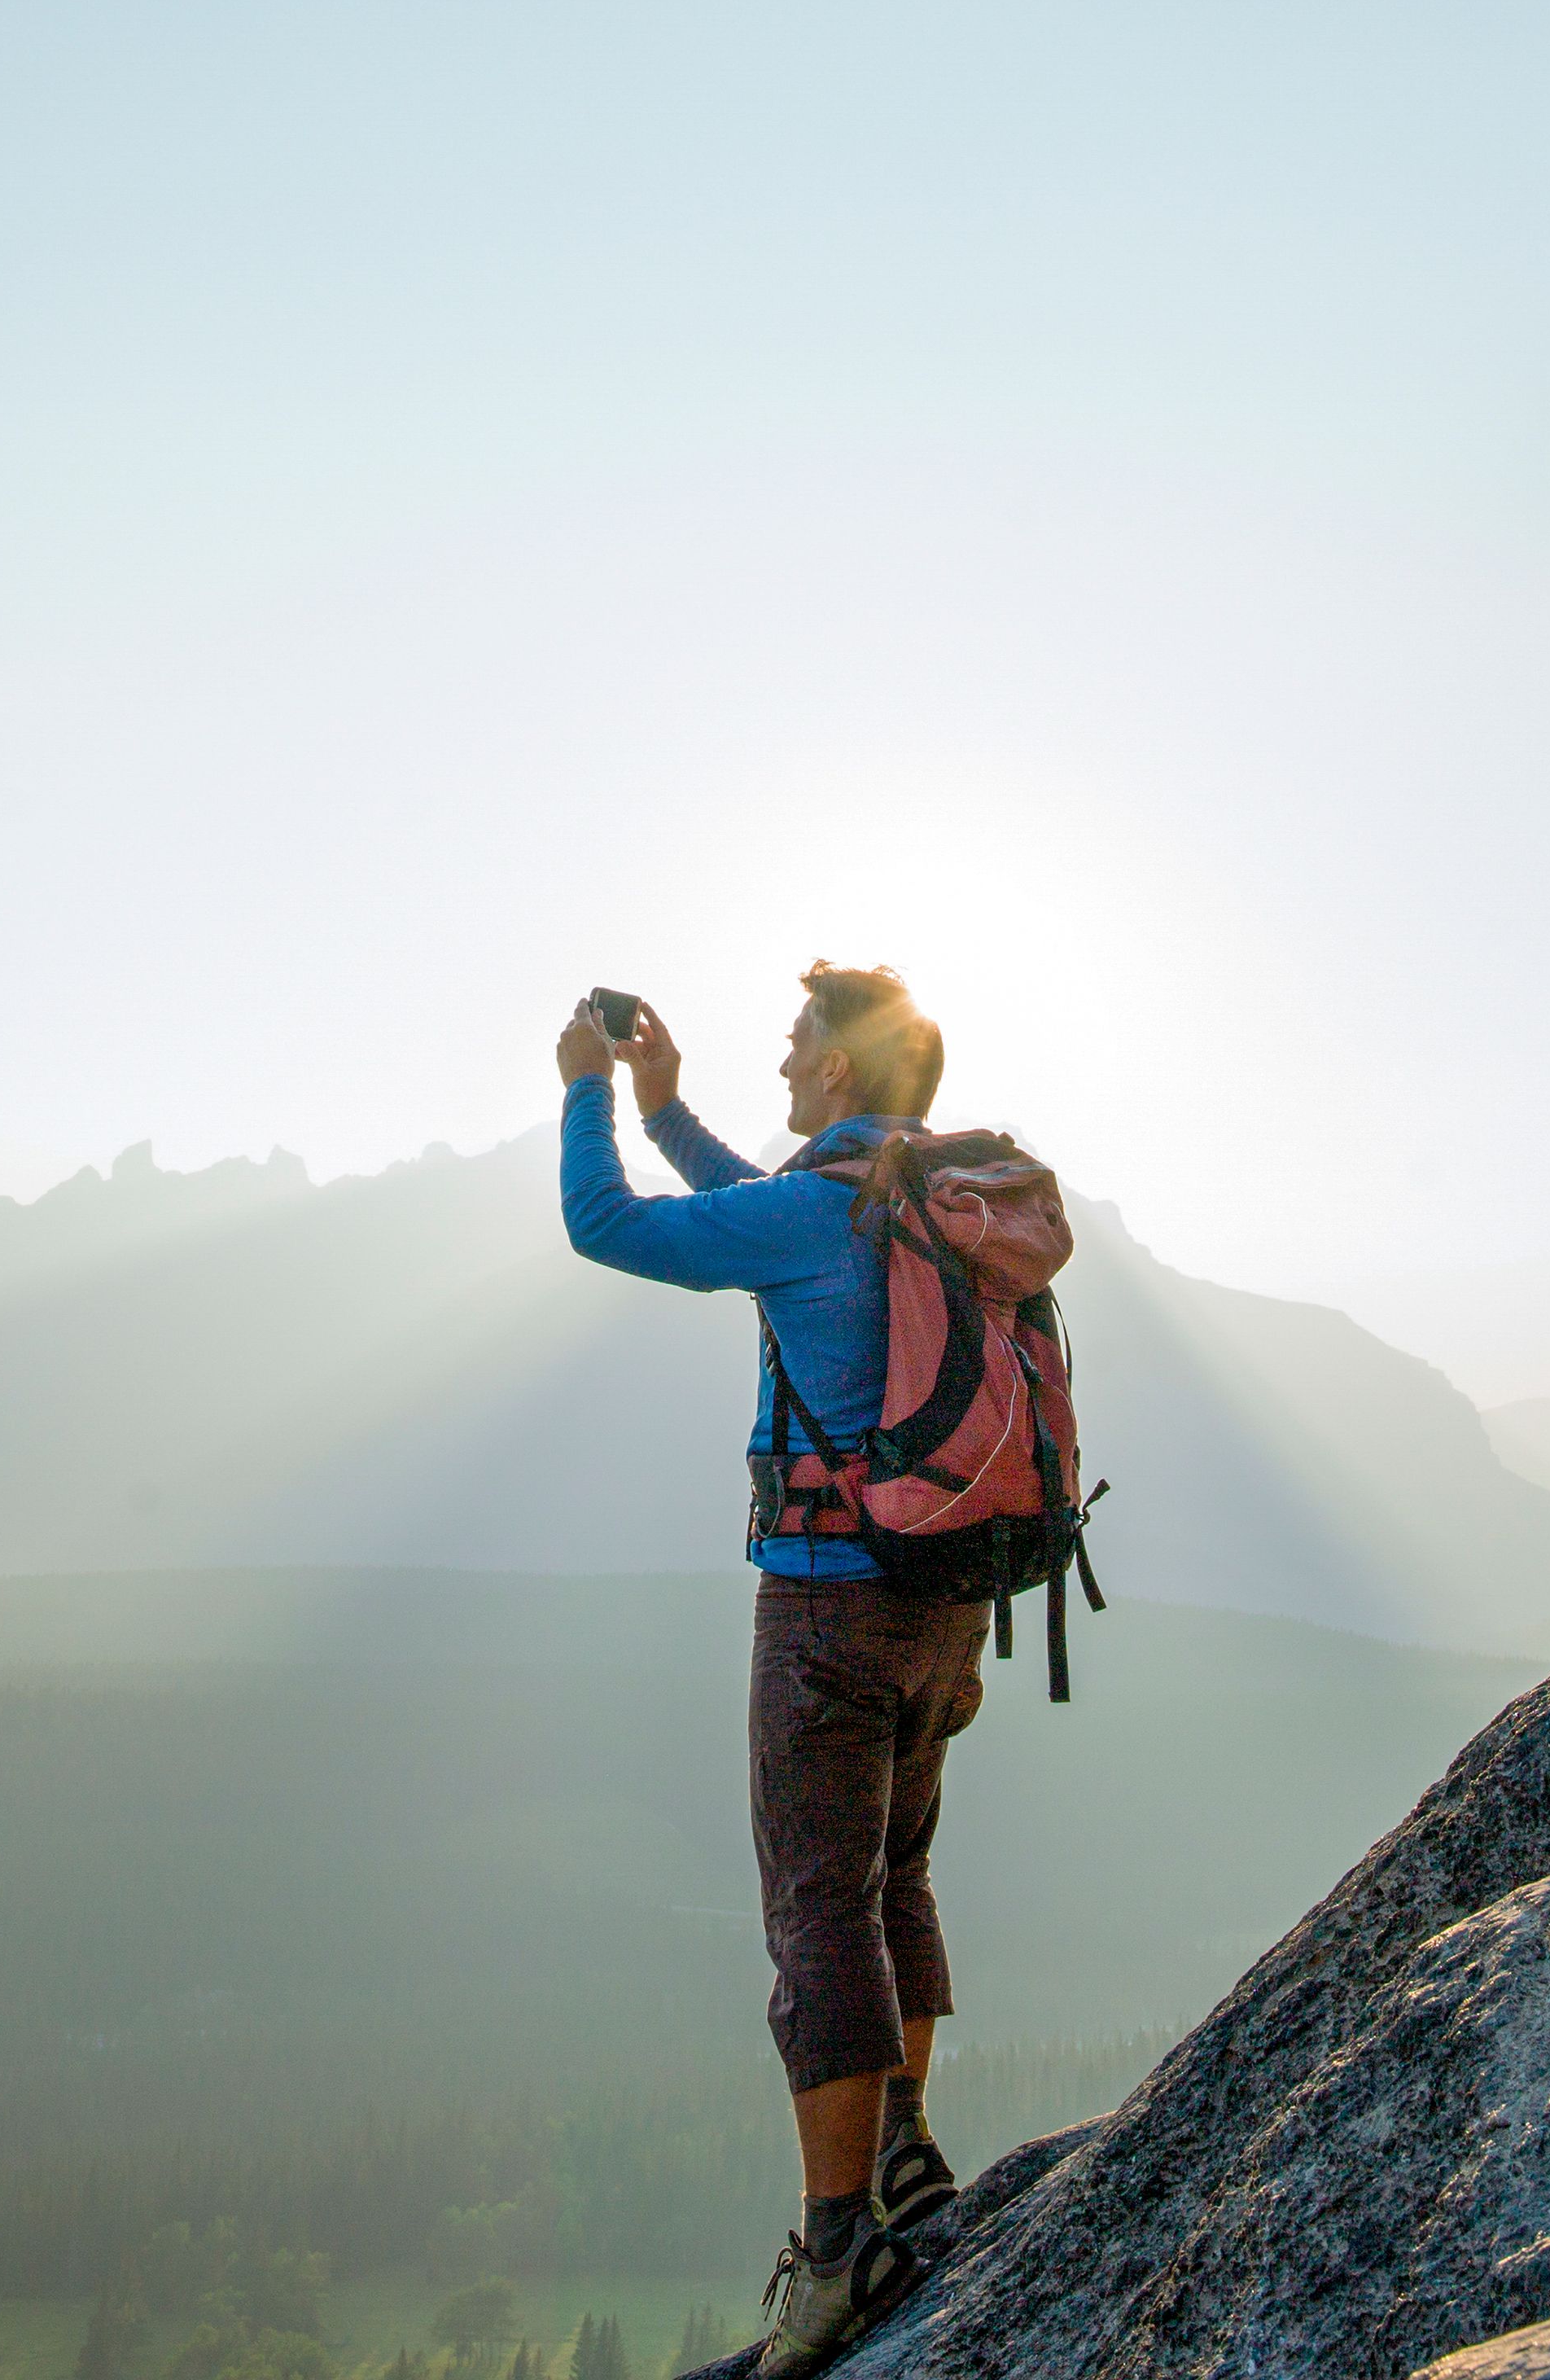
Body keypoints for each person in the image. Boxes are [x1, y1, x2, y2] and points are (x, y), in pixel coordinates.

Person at [554, 962, 974, 2376]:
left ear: (840, 1070)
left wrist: (588, 1093)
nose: (784, 1059)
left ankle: (839, 2247)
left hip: (827, 1606)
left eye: (798, 1042)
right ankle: (906, 2155)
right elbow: (762, 1206)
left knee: (816, 1913)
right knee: (896, 1878)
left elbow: (608, 1226)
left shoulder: (822, 1211)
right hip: (945, 1602)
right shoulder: (917, 1197)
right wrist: (669, 1110)